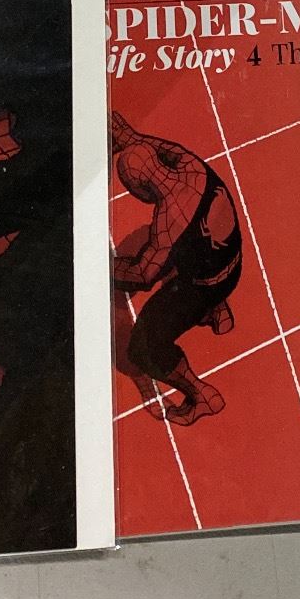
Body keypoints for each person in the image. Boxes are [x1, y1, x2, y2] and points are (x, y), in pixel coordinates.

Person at [110, 112, 242, 424]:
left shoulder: (168, 223)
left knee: (143, 347)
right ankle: (217, 310)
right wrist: (132, 139)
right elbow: (162, 149)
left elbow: (142, 275)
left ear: (139, 189)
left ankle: (201, 394)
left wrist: (105, 267)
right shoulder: (191, 166)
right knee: (187, 249)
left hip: (204, 286)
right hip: (232, 263)